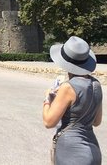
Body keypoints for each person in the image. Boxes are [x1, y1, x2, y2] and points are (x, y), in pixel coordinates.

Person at [43, 36, 103, 165]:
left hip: (71, 152)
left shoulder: (67, 87)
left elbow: (48, 121)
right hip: (93, 149)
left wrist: (47, 98)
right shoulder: (96, 85)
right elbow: (96, 121)